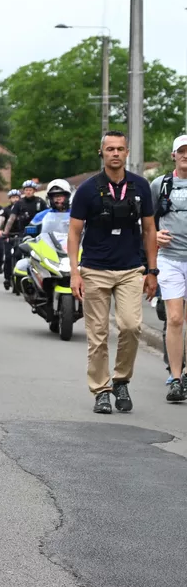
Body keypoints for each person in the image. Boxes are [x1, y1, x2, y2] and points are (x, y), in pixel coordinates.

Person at [67, 131, 158, 415]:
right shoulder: (87, 190)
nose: (115, 154)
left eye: (120, 149)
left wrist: (152, 270)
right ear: (102, 152)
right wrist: (75, 272)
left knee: (131, 327)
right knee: (97, 334)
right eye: (110, 149)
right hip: (95, 269)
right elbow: (74, 232)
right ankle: (101, 390)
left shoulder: (140, 186)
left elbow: (149, 230)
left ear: (126, 152)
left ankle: (121, 380)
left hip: (131, 269)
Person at [151, 134, 187, 401]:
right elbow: (145, 222)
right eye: (182, 151)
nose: (186, 155)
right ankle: (175, 377)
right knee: (174, 318)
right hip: (169, 260)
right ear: (173, 155)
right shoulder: (160, 185)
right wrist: (154, 236)